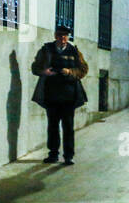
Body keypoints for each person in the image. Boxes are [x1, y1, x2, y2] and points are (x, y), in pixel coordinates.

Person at [31, 25, 88, 165]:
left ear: (68, 37)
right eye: (60, 35)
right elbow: (35, 67)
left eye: (65, 36)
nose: (62, 39)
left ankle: (68, 155)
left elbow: (83, 69)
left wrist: (70, 72)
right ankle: (53, 154)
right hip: (51, 94)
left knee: (68, 127)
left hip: (69, 95)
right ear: (55, 36)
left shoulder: (74, 51)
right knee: (53, 125)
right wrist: (45, 72)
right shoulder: (46, 50)